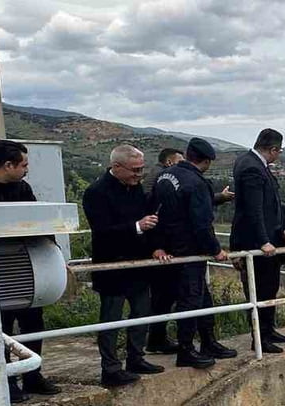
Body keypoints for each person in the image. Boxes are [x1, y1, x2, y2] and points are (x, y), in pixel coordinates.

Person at [82, 145, 166, 387]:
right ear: (116, 167)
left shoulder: (135, 187)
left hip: (138, 265)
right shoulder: (96, 192)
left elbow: (148, 218)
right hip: (112, 266)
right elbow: (102, 231)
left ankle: (136, 358)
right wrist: (137, 226)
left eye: (141, 170)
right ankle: (110, 368)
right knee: (111, 320)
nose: (139, 175)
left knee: (141, 314)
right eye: (135, 170)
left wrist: (155, 246)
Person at [0, 139, 61, 403]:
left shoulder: (22, 188)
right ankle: (7, 381)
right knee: (2, 328)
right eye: (24, 164)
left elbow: (40, 223)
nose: (27, 169)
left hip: (26, 270)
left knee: (33, 323)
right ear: (8, 165)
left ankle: (33, 374)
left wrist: (52, 255)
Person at [152, 138, 235, 368]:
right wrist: (216, 250)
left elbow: (155, 212)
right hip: (189, 251)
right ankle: (186, 350)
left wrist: (158, 244)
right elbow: (201, 223)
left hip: (169, 250)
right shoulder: (197, 183)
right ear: (206, 161)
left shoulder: (165, 176)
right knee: (190, 301)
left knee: (201, 298)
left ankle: (208, 341)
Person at [231, 129, 285, 353]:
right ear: (274, 149)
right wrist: (263, 241)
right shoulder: (251, 168)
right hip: (257, 242)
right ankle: (260, 337)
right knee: (259, 290)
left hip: (269, 238)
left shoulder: (251, 163)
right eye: (278, 151)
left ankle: (269, 330)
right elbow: (253, 209)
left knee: (270, 288)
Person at [144, 148, 184, 353]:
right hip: (162, 249)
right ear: (169, 162)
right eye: (180, 160)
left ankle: (157, 338)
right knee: (163, 296)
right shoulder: (163, 180)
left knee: (163, 297)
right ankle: (156, 339)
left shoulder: (157, 178)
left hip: (161, 247)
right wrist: (158, 245)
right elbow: (156, 215)